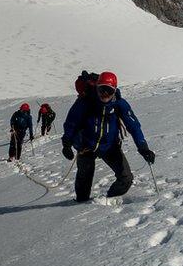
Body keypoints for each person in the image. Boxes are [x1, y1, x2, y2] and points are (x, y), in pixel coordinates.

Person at [61, 71, 156, 202]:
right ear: (97, 88)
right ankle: (80, 205)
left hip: (110, 146)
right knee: (84, 179)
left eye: (109, 90)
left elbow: (133, 126)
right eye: (101, 89)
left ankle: (108, 201)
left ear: (115, 90)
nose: (104, 94)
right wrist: (67, 143)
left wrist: (143, 147)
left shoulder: (120, 104)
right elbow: (71, 123)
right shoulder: (86, 102)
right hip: (86, 146)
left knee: (126, 178)